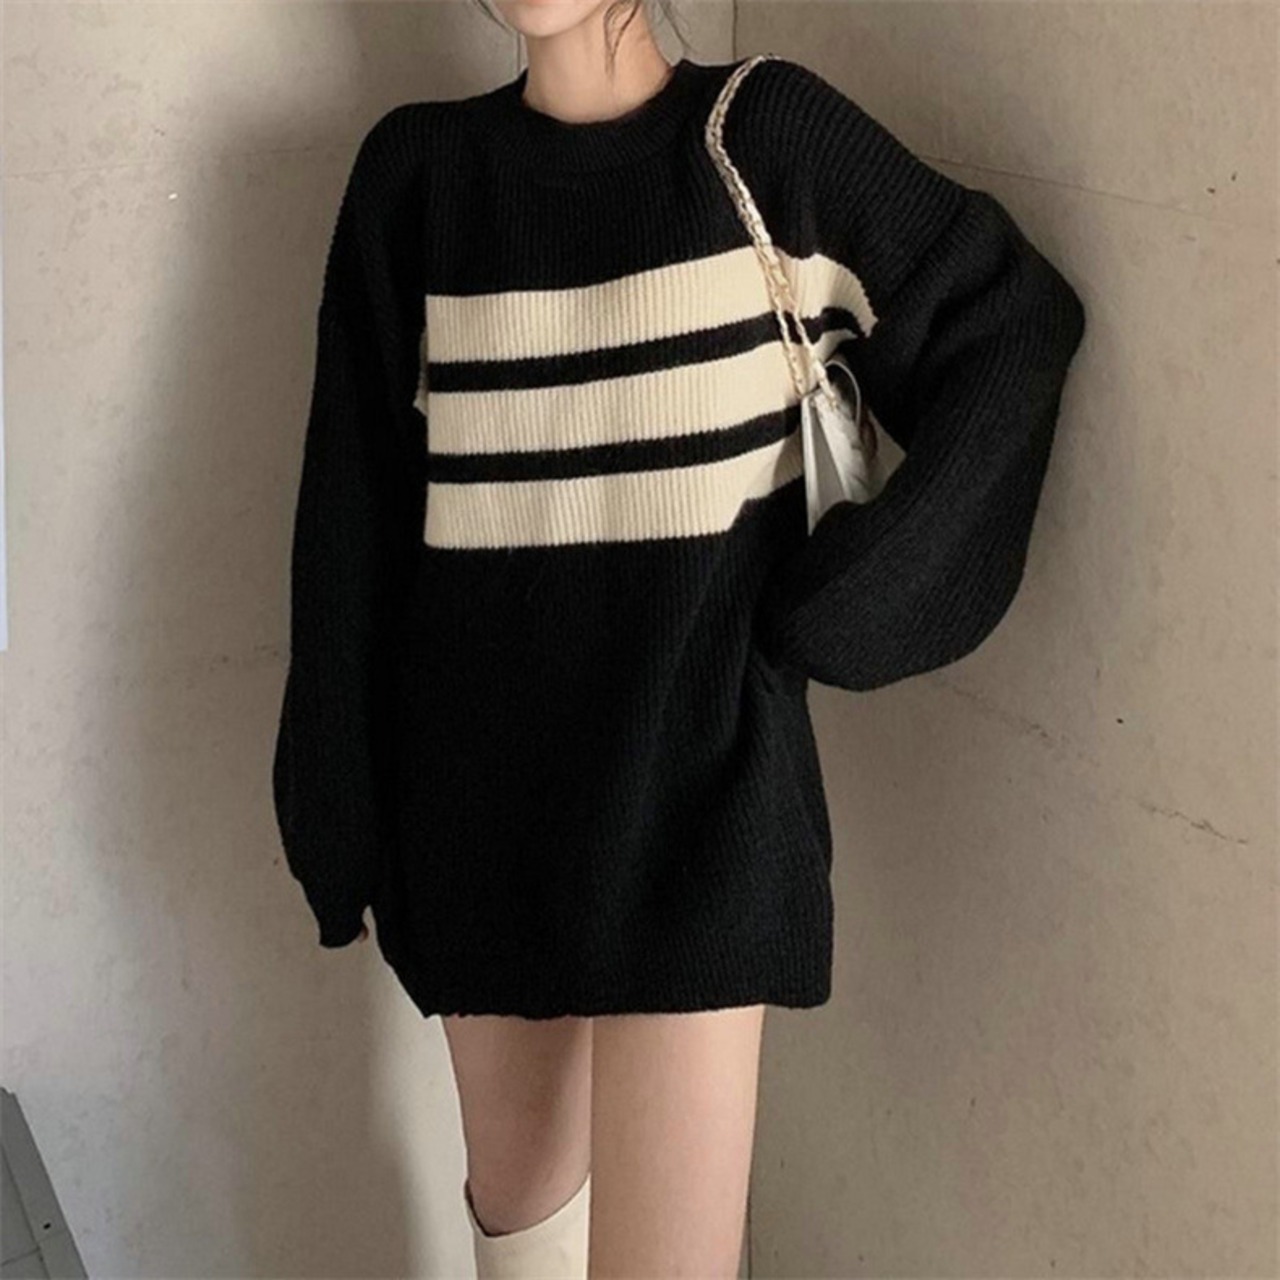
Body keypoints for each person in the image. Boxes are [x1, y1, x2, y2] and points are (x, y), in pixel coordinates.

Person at [270, 0, 1087, 1273]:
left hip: (701, 812)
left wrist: (845, 605)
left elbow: (1009, 322)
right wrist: (335, 819)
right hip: (476, 814)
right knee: (520, 1242)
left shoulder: (768, 142)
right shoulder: (418, 178)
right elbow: (349, 523)